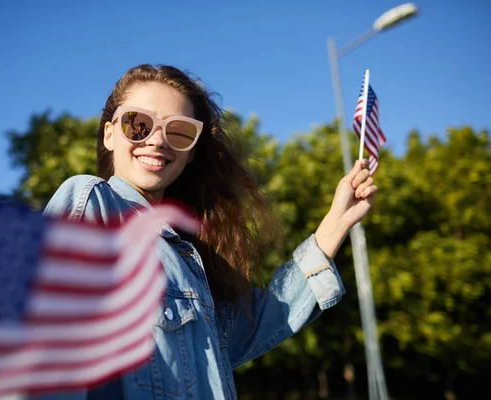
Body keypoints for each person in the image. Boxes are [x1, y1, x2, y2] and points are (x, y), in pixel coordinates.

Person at [43, 64, 377, 400]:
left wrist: (336, 221)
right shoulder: (92, 201)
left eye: (180, 132)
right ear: (110, 133)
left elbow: (260, 323)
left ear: (190, 154)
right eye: (138, 124)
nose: (158, 140)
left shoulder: (188, 259)